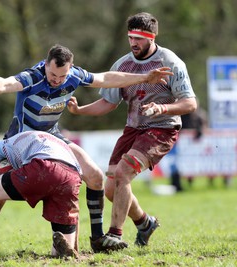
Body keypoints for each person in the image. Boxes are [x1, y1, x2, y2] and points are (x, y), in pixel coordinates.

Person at [0, 44, 173, 253]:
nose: (57, 80)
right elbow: (4, 84)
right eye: (53, 75)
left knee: (95, 176)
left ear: (69, 69)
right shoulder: (33, 76)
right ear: (46, 65)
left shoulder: (74, 75)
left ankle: (97, 238)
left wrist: (145, 77)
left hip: (53, 138)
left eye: (62, 76)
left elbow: (106, 78)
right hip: (23, 142)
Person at [67, 12, 197, 250]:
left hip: (162, 128)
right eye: (130, 37)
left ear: (151, 37)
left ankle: (115, 235)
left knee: (124, 173)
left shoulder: (171, 62)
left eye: (139, 38)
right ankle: (144, 222)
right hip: (132, 130)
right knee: (110, 189)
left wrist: (162, 108)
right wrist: (79, 111)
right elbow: (108, 103)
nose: (133, 43)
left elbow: (190, 104)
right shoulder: (123, 65)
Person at [0, 131, 91, 261]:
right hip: (72, 176)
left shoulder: (8, 142)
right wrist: (75, 245)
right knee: (58, 252)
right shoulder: (52, 140)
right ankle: (68, 250)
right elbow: (74, 211)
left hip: (43, 167)